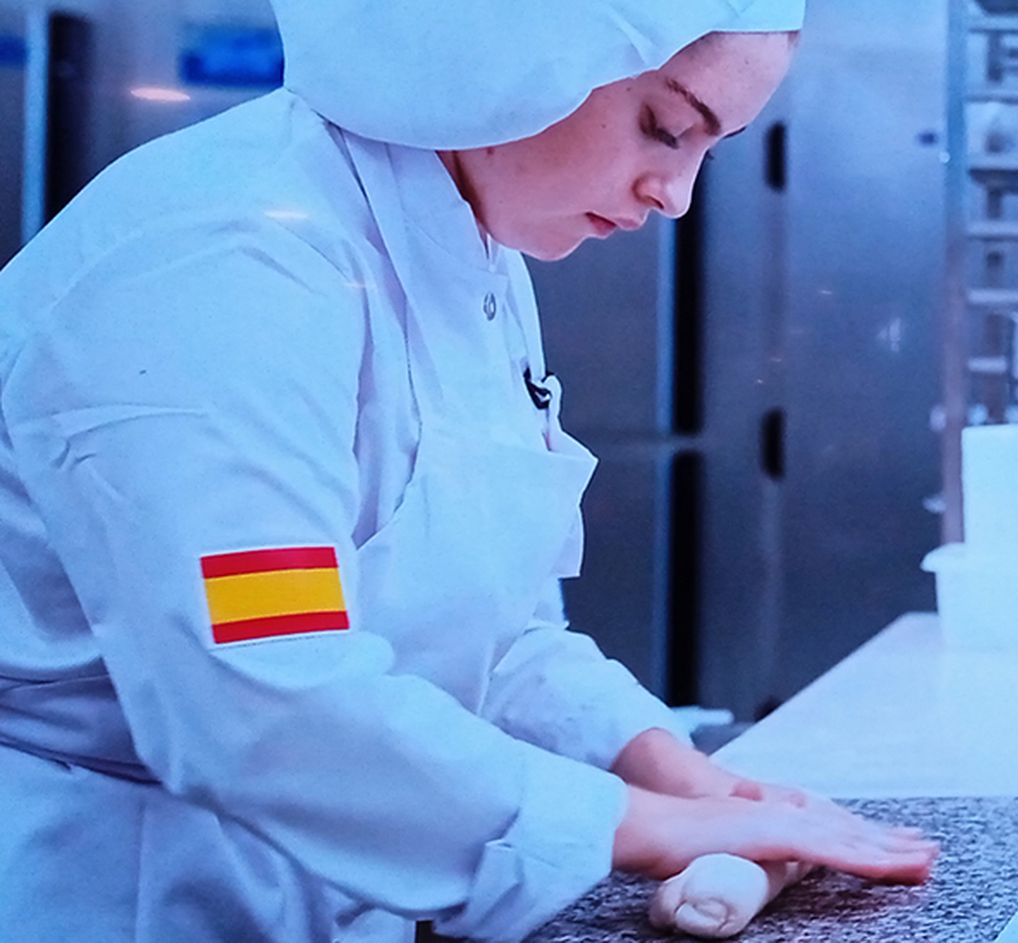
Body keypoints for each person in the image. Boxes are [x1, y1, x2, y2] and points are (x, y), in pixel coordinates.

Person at [0, 2, 938, 940]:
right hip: (117, 895)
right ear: (517, 48)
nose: (676, 196)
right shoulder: (224, 259)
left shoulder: (464, 251)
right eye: (666, 127)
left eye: (711, 149)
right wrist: (645, 828)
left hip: (321, 889)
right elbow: (264, 690)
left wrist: (682, 772)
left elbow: (495, 637)